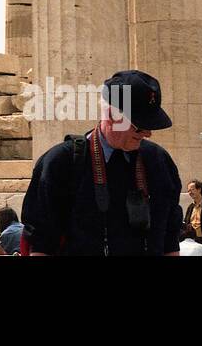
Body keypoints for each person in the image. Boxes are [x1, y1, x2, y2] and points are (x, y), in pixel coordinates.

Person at [21, 70, 183, 256]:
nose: (147, 134)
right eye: (140, 127)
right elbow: (41, 241)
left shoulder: (158, 161)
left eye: (151, 126)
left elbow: (170, 238)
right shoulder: (62, 163)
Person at [184, 179, 202, 250]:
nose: (190, 192)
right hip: (192, 241)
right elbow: (186, 222)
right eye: (188, 191)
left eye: (192, 190)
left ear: (199, 189)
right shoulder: (190, 207)